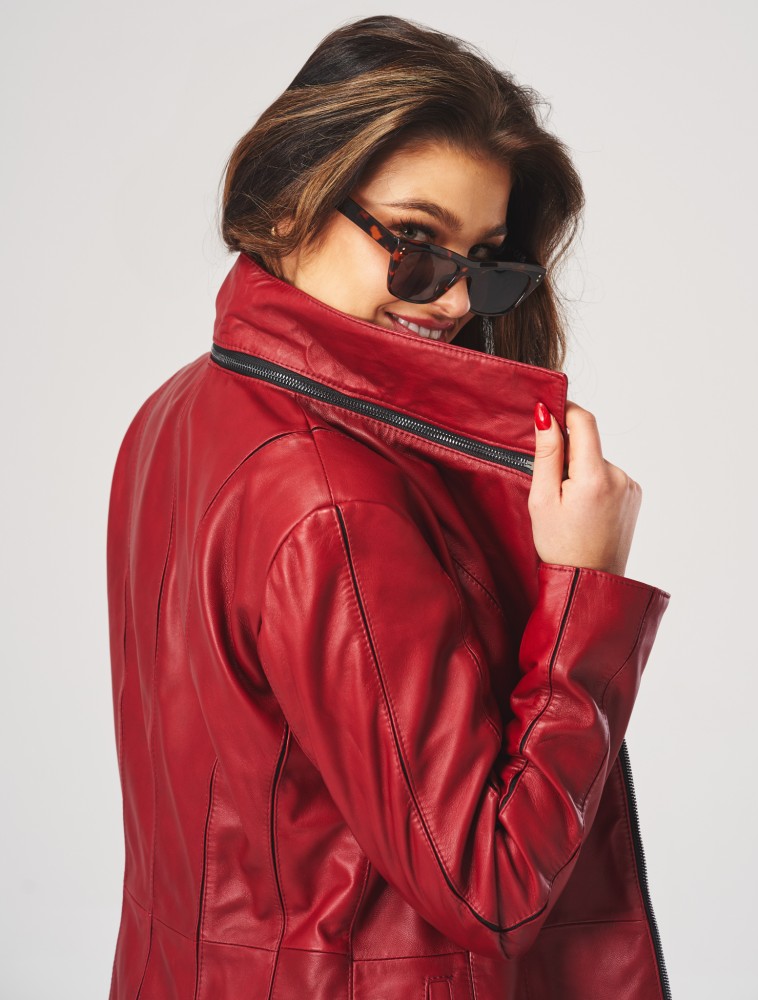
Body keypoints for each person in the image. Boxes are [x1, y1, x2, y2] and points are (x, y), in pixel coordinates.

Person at [105, 15, 672, 1000]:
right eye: (414, 244)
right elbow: (491, 886)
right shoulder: (332, 495)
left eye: (483, 260)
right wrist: (585, 592)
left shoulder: (174, 411)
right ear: (291, 204)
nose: (451, 301)